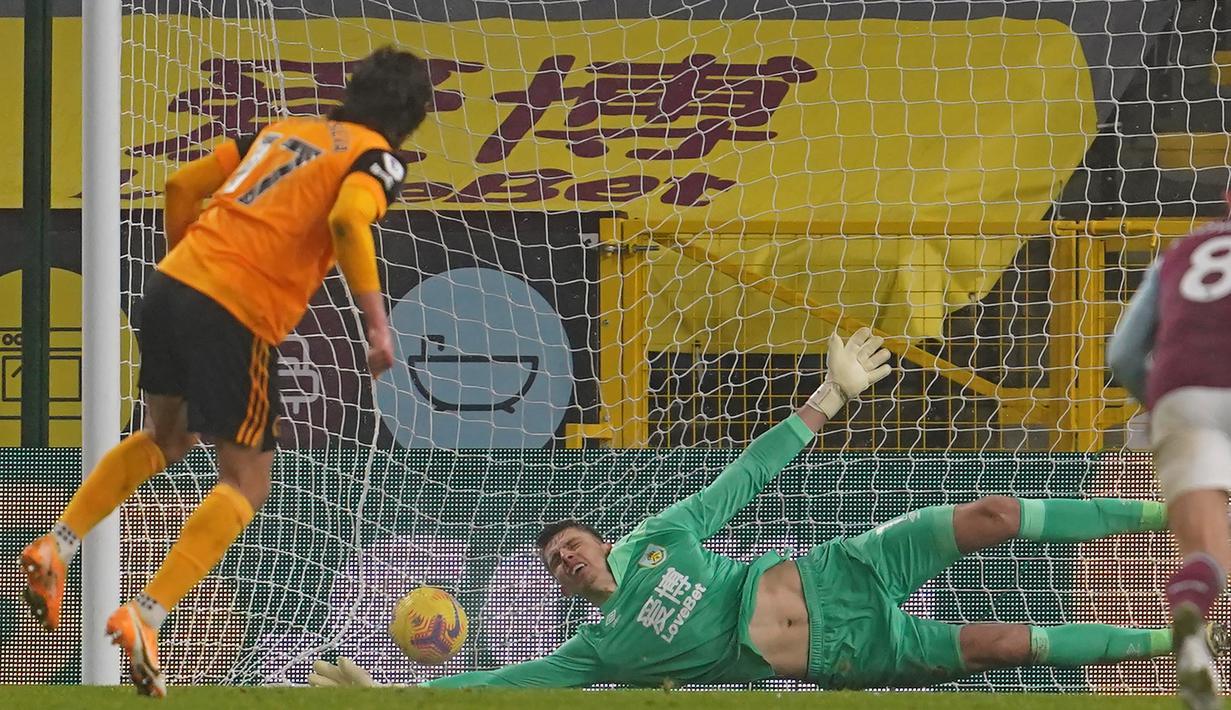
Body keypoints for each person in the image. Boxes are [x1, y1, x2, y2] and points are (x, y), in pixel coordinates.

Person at [310, 328, 1223, 691]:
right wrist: (398, 694)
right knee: (1002, 644)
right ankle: (1173, 649)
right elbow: (504, 688)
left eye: (572, 545)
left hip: (845, 567)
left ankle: (1162, 510)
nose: (566, 561)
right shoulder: (601, 651)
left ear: (599, 542)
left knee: (986, 510)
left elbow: (741, 479)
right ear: (563, 585)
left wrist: (829, 396)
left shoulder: (662, 537)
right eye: (555, 564)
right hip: (845, 651)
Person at [19, 47, 433, 697]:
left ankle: (57, 545)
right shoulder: (376, 156)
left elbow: (183, 185)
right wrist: (378, 326)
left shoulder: (281, 130)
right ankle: (146, 613)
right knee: (247, 481)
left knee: (166, 438)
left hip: (170, 283)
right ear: (410, 120)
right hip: (236, 308)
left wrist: (189, 261)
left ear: (352, 89)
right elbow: (349, 219)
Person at [1108, 218, 1231, 710]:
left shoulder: (1183, 251)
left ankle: (1196, 652)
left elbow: (1121, 356)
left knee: (1206, 555)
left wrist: (1166, 411)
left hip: (1183, 393)